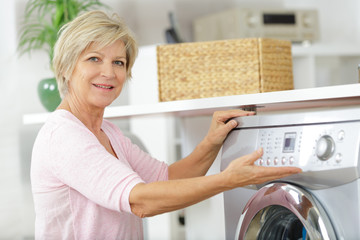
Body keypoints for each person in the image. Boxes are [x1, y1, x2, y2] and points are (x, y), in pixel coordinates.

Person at [31, 10, 301, 239]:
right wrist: (227, 181)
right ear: (66, 67)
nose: (109, 72)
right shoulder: (64, 135)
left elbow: (167, 179)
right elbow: (140, 200)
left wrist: (211, 142)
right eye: (94, 59)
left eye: (118, 62)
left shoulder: (108, 133)